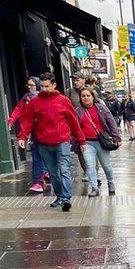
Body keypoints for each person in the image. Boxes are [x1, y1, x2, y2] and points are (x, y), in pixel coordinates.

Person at [17, 71, 86, 212]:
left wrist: (81, 140)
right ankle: (60, 196)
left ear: (54, 85)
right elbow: (28, 120)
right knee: (53, 172)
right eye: (42, 86)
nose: (44, 89)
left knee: (64, 170)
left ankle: (66, 198)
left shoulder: (63, 101)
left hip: (61, 141)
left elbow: (73, 122)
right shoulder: (35, 102)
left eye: (47, 86)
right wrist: (22, 136)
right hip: (43, 142)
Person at [76, 88, 121, 197]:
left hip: (101, 142)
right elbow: (75, 127)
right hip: (87, 143)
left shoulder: (101, 108)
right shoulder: (78, 111)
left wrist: (116, 137)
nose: (85, 98)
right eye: (83, 96)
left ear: (93, 97)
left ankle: (110, 182)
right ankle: (94, 187)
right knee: (90, 166)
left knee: (106, 165)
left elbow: (111, 122)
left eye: (88, 95)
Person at [7, 76, 48, 193]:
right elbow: (19, 110)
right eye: (28, 85)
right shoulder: (26, 98)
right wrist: (11, 121)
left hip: (45, 131)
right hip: (33, 131)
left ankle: (44, 175)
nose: (29, 87)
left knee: (46, 156)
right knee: (37, 156)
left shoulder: (43, 97)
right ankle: (38, 181)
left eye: (32, 85)